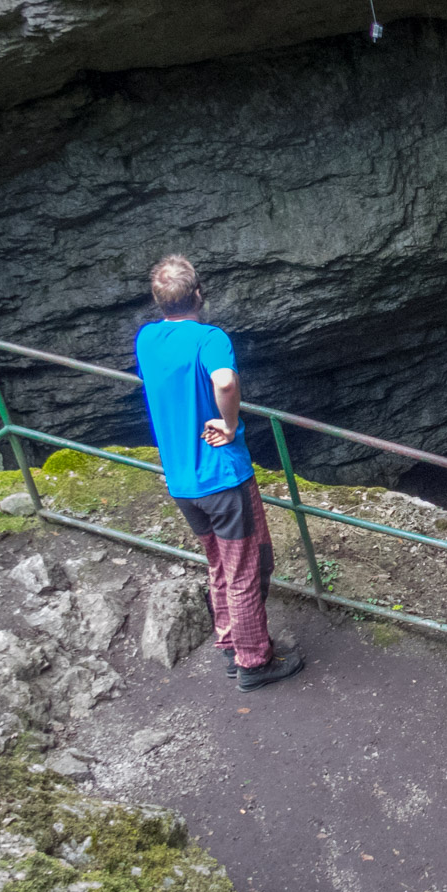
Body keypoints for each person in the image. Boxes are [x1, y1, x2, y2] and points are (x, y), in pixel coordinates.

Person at [135, 255, 303, 692]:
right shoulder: (209, 339)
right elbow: (225, 382)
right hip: (222, 478)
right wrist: (228, 425)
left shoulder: (147, 339)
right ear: (198, 295)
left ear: (157, 302)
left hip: (181, 481)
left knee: (219, 565)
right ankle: (253, 663)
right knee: (247, 569)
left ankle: (231, 644)